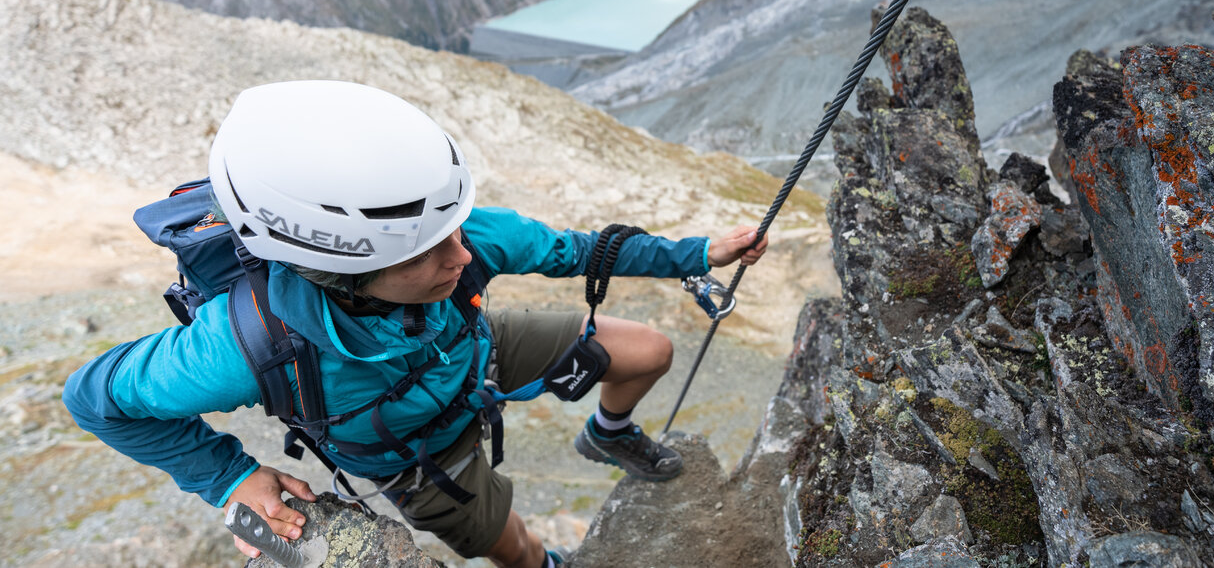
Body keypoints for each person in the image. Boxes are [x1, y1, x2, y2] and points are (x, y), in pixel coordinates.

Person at [63, 80, 768, 568]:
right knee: (517, 548)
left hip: (471, 357)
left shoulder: (447, 239)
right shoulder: (248, 343)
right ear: (341, 271)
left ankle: (606, 433)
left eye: (456, 233)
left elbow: (575, 249)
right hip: (417, 460)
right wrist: (227, 477)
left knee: (648, 350)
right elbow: (94, 398)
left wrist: (699, 253)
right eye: (428, 255)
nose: (464, 258)